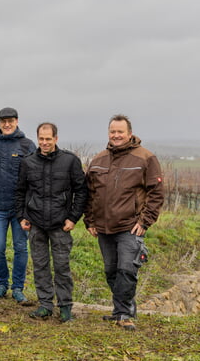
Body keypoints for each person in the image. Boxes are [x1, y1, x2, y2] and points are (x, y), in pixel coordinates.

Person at [84, 114, 164, 331]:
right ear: (108, 133)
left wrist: (145, 221)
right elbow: (90, 194)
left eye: (120, 132)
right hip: (103, 227)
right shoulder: (98, 160)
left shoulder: (145, 158)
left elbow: (156, 193)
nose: (116, 135)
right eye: (113, 131)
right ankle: (123, 308)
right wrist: (89, 220)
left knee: (127, 269)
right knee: (111, 271)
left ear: (129, 133)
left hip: (130, 226)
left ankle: (124, 314)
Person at [16, 123, 88, 322]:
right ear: (37, 139)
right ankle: (45, 305)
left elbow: (81, 191)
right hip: (36, 222)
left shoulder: (70, 161)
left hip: (60, 224)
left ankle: (65, 307)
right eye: (41, 139)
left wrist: (73, 218)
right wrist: (22, 216)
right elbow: (20, 191)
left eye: (48, 139)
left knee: (62, 266)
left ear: (56, 138)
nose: (44, 142)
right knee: (40, 265)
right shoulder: (28, 162)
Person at [0, 107, 36, 303]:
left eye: (10, 121)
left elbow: (35, 175)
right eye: (3, 121)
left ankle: (18, 288)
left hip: (20, 209)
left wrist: (30, 208)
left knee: (20, 248)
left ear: (17, 121)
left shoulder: (27, 145)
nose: (7, 124)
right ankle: (2, 284)